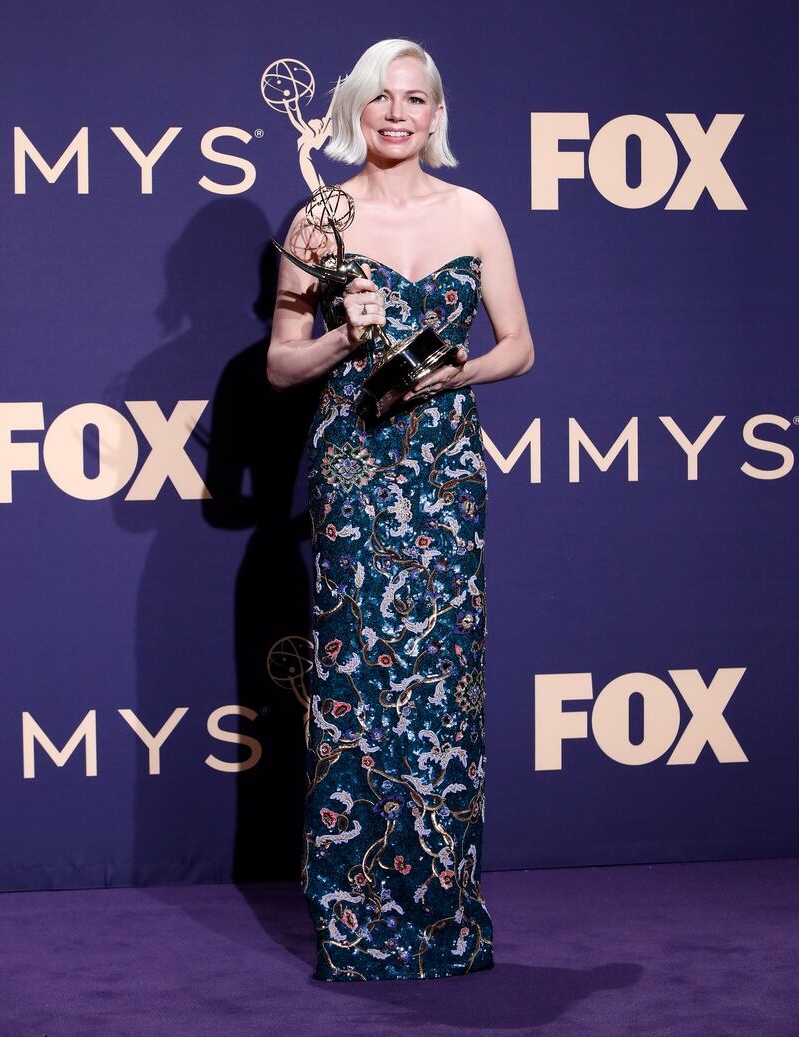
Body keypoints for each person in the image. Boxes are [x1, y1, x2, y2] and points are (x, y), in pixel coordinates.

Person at [268, 37, 534, 982]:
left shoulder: (475, 213)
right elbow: (280, 365)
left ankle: (443, 914)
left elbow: (518, 347)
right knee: (357, 690)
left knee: (443, 684)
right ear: (354, 107)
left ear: (436, 116)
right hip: (356, 469)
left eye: (415, 100)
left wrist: (447, 373)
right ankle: (355, 918)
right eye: (382, 98)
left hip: (445, 474)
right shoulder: (319, 220)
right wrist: (349, 335)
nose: (397, 113)